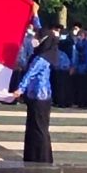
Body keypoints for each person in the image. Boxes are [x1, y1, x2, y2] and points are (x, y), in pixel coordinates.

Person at [13, 26, 57, 163]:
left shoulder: (41, 59)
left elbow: (30, 74)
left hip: (39, 95)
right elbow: (43, 31)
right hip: (38, 95)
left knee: (38, 128)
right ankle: (34, 156)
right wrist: (35, 14)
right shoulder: (45, 53)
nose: (35, 39)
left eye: (38, 37)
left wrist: (20, 89)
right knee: (35, 127)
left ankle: (41, 157)